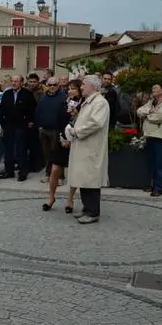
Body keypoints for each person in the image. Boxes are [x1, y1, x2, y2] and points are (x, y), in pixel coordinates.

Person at [65, 75, 110, 224]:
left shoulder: (100, 103)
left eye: (84, 84)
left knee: (91, 180)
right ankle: (86, 208)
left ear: (92, 86)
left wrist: (77, 131)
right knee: (84, 178)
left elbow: (96, 123)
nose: (81, 87)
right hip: (83, 146)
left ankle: (93, 212)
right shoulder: (89, 102)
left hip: (91, 148)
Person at [43, 79, 81, 212]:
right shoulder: (63, 103)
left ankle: (70, 200)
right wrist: (61, 138)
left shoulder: (83, 104)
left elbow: (81, 124)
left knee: (73, 173)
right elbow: (58, 122)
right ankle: (51, 197)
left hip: (76, 142)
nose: (70, 91)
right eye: (69, 88)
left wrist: (75, 113)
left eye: (73, 88)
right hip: (61, 140)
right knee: (54, 171)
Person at [136, 82, 162, 197]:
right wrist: (149, 111)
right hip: (149, 135)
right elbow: (139, 111)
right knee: (151, 163)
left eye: (156, 88)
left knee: (160, 164)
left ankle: (158, 188)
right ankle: (152, 185)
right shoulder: (151, 102)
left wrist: (147, 116)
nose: (153, 89)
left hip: (161, 137)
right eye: (152, 87)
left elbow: (158, 117)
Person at [0, 75, 37, 182]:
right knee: (8, 149)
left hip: (21, 125)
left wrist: (30, 121)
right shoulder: (7, 94)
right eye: (13, 81)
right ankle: (9, 171)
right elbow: (1, 111)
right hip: (8, 125)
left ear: (21, 82)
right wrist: (3, 125)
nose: (14, 83)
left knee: (21, 149)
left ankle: (22, 172)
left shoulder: (27, 94)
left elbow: (33, 109)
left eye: (16, 81)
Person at [35, 77, 66, 182]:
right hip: (44, 130)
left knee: (57, 154)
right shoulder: (43, 98)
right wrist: (39, 125)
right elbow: (38, 112)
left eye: (54, 85)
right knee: (47, 155)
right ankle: (48, 174)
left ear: (58, 86)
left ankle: (60, 177)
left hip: (56, 130)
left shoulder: (63, 97)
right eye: (50, 85)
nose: (52, 87)